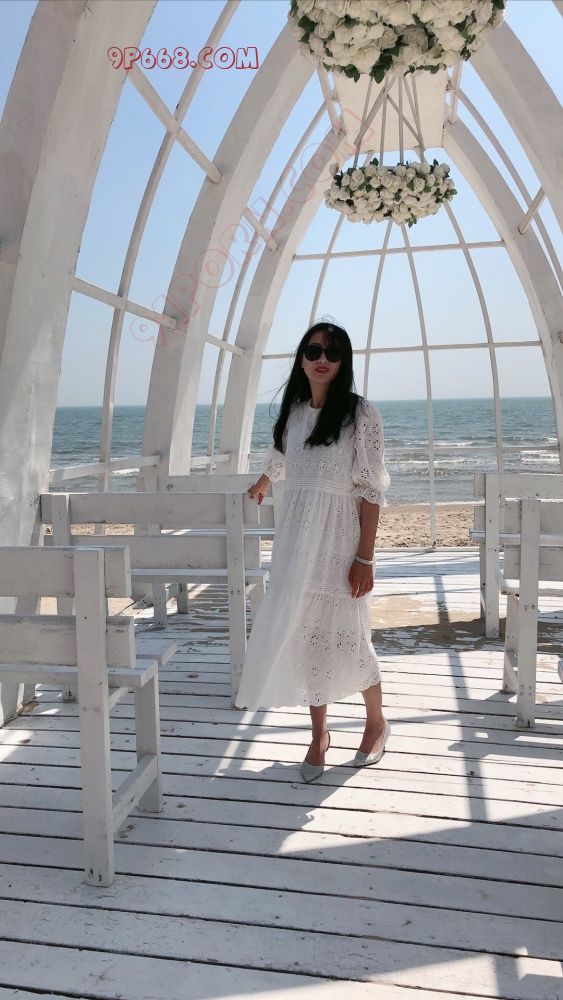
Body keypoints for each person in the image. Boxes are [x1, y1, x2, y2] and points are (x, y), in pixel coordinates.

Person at [234, 320, 391, 782]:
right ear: (302, 359)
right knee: (305, 637)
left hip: (339, 542)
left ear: (343, 362)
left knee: (352, 637)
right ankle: (319, 734)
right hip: (295, 544)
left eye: (333, 352)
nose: (323, 358)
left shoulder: (361, 414)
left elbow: (371, 491)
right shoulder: (295, 413)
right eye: (314, 350)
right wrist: (264, 481)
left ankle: (376, 722)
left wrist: (365, 557)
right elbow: (283, 456)